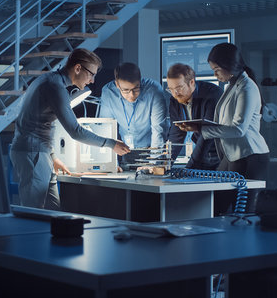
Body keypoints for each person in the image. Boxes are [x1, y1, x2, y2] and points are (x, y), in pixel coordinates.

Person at [10, 48, 130, 210]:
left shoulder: (49, 80)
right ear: (78, 68)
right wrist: (111, 144)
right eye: (91, 74)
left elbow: (39, 122)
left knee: (54, 211)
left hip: (40, 153)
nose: (92, 81)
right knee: (33, 213)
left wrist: (52, 156)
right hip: (33, 153)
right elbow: (76, 131)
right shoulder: (55, 87)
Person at [175, 43, 270, 213]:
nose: (215, 74)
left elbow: (238, 129)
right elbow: (226, 124)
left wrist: (201, 130)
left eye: (217, 69)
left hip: (250, 155)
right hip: (233, 155)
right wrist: (199, 126)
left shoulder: (247, 88)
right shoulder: (232, 86)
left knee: (241, 211)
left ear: (230, 66)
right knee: (217, 205)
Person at [99, 62, 168, 150]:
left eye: (136, 88)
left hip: (152, 146)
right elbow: (106, 128)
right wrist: (111, 160)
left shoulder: (153, 89)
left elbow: (158, 128)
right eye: (126, 90)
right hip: (125, 149)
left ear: (140, 81)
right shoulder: (108, 92)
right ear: (117, 84)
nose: (131, 95)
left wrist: (154, 161)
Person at [166, 63, 223, 170]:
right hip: (202, 152)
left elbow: (208, 134)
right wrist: (165, 164)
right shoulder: (175, 99)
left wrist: (190, 168)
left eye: (179, 88)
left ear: (192, 82)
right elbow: (176, 134)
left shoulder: (213, 95)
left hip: (221, 154)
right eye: (171, 89)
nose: (175, 93)